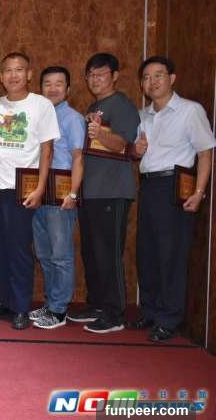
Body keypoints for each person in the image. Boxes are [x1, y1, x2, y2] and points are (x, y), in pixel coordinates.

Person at [130, 56, 215, 342]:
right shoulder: (143, 115)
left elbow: (205, 153)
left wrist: (199, 193)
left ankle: (169, 318)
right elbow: (138, 154)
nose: (152, 82)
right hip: (149, 186)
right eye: (146, 77)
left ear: (172, 78)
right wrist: (136, 151)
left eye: (158, 75)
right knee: (147, 253)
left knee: (171, 255)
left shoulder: (190, 111)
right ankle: (151, 311)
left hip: (175, 187)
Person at [0, 53, 59, 330]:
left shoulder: (41, 105)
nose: (13, 75)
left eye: (19, 70)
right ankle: (2, 302)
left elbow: (47, 150)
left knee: (19, 249)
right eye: (8, 71)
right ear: (1, 76)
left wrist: (41, 188)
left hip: (23, 189)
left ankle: (21, 307)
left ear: (28, 74)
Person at [66, 53, 140, 334]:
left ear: (115, 76)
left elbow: (123, 144)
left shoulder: (121, 104)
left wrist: (98, 133)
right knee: (92, 252)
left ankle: (114, 313)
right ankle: (97, 304)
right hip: (91, 192)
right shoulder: (94, 106)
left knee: (109, 253)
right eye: (91, 75)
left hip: (112, 191)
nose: (95, 79)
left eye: (101, 74)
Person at [30, 66, 85, 329]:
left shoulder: (73, 118)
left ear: (68, 89)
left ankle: (59, 310)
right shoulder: (38, 116)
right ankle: (51, 302)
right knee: (44, 253)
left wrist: (73, 193)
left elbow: (78, 158)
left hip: (62, 196)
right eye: (47, 84)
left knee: (61, 254)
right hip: (39, 193)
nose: (52, 89)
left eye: (58, 84)